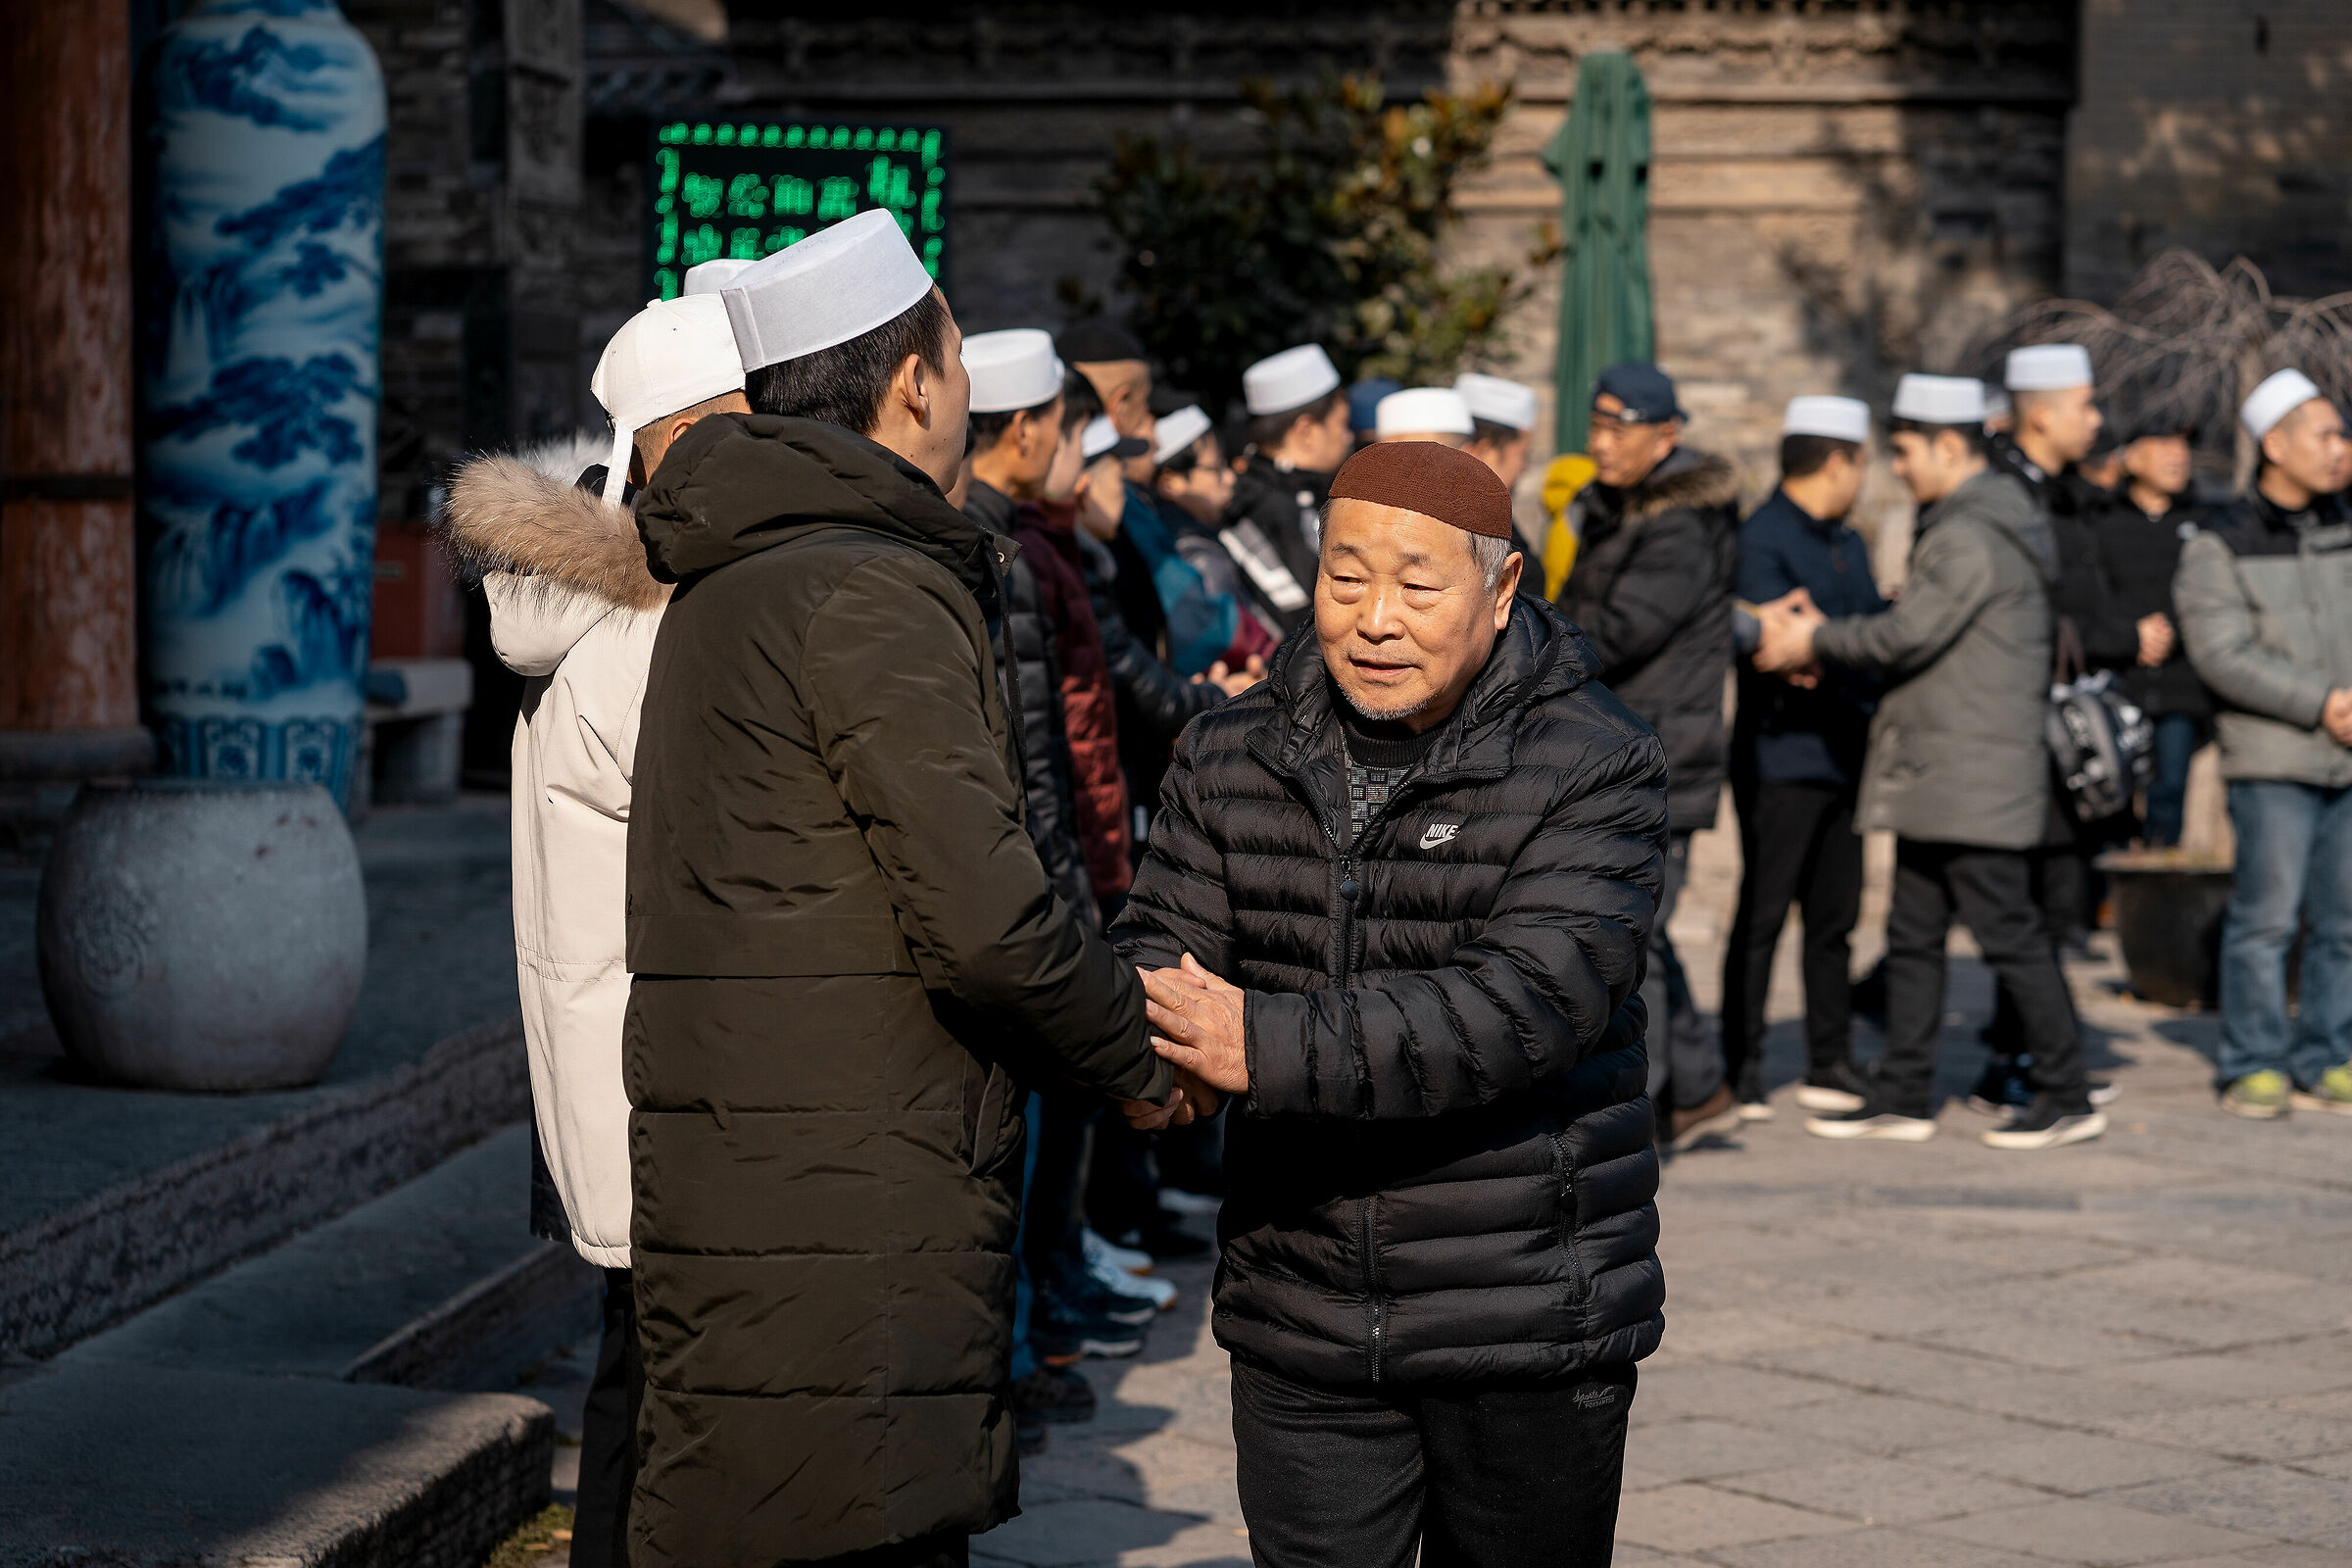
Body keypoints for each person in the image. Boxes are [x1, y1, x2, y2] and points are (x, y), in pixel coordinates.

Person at [623, 211, 1191, 1568]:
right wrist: (1140, 1056)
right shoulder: (867, 586)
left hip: (764, 1161)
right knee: (852, 1518)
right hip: (849, 1186)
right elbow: (991, 920)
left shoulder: (745, 565)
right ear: (919, 382)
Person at [1118, 439, 1665, 1568]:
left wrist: (1249, 1042)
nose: (1375, 618)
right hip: (1302, 1309)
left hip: (1521, 1319)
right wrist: (1145, 1070)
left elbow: (1521, 1005)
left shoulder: (1594, 763)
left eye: (1419, 585)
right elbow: (1160, 957)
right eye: (1344, 576)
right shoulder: (1230, 752)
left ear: (1502, 588)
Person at [441, 295, 745, 1568]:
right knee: (671, 1399)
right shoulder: (655, 618)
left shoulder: (583, 606)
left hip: (615, 1067)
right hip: (681, 1069)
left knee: (639, 1375)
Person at [1755, 372, 2105, 1151]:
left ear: (1951, 446)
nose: (1899, 469)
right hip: (1943, 771)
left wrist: (1811, 639)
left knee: (2008, 931)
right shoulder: (1972, 521)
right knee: (1912, 931)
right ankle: (1906, 1090)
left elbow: (1904, 638)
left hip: (1968, 771)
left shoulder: (1969, 531)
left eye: (1908, 452)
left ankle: (2066, 1088)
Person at [1552, 361, 1741, 1148]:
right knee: (1643, 929)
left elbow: (1620, 630)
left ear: (1667, 436)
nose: (1601, 445)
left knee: (1637, 932)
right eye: (1594, 427)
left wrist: (1533, 642)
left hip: (1664, 749)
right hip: (1627, 742)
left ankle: (1654, 1101)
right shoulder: (1611, 508)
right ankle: (1697, 1084)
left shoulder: (1679, 525)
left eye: (1617, 430)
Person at [2175, 368, 2352, 1119]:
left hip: (2348, 754)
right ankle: (2253, 1060)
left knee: (2344, 921)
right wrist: (2322, 702)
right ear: (2274, 446)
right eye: (2327, 434)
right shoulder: (2218, 542)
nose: (2342, 448)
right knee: (2267, 918)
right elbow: (2221, 653)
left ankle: (2330, 1053)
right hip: (2274, 757)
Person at [1722, 396, 1884, 1120]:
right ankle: (1743, 1065)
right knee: (1762, 914)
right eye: (1862, 464)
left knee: (1834, 919)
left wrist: (1833, 638)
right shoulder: (1762, 538)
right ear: (1839, 461)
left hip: (1845, 751)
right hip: (1782, 754)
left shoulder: (1847, 539)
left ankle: (1830, 1058)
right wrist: (1831, 641)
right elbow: (1780, 649)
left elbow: (1865, 635)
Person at [2101, 420, 2210, 847]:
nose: (2177, 454)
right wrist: (2131, 636)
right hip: (2116, 681)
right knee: (2110, 791)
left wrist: (2170, 635)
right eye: (2164, 442)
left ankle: (2158, 895)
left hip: (2180, 686)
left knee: (2169, 791)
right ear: (2130, 454)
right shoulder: (2104, 521)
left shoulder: (2204, 522)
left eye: (2183, 444)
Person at [1153, 402, 1301, 638]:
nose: (1230, 479)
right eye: (1216, 468)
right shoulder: (1197, 555)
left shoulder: (1197, 538)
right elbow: (1235, 640)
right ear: (1171, 482)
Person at [1230, 343, 1353, 613]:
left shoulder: (1268, 490)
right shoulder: (1275, 511)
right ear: (1306, 431)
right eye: (1342, 424)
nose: (1348, 437)